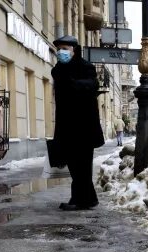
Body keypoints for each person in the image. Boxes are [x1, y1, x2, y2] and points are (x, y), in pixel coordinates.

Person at [51, 35, 104, 211]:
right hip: (66, 125)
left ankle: (80, 199)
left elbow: (93, 84)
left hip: (84, 126)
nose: (61, 52)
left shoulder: (86, 67)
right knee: (74, 164)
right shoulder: (57, 70)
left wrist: (74, 84)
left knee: (83, 164)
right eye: (59, 49)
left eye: (65, 48)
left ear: (75, 50)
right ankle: (86, 199)